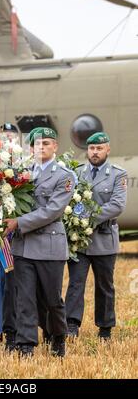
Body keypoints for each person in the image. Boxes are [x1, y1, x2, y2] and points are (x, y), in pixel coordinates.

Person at [4, 127, 75, 357]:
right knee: (24, 297)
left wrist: (18, 222)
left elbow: (52, 211)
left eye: (46, 143)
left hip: (49, 246)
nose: (41, 147)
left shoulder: (64, 175)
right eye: (37, 144)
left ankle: (58, 336)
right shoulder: (21, 172)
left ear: (55, 146)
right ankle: (26, 345)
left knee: (52, 299)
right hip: (24, 246)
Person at [65, 132, 127, 340]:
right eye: (92, 148)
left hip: (104, 237)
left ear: (107, 150)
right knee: (75, 283)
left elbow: (117, 205)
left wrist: (87, 218)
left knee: (104, 285)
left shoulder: (118, 174)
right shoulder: (77, 173)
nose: (95, 152)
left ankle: (105, 327)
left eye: (99, 148)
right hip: (80, 239)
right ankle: (71, 325)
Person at [0, 123, 18, 351]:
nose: (8, 141)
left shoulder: (27, 166)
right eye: (4, 137)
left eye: (11, 137)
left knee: (21, 284)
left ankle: (22, 327)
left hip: (22, 233)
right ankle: (1, 329)